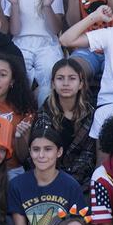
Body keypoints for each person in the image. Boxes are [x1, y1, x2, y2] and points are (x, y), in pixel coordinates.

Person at [8, 122, 84, 225]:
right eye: (36, 150)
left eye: (48, 149)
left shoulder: (71, 185)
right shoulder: (17, 184)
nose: (41, 155)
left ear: (59, 152)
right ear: (30, 152)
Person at [5, 0, 64, 108]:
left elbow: (55, 29)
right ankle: (21, 113)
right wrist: (15, 4)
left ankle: (45, 115)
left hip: (47, 43)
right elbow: (15, 31)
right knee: (18, 76)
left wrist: (46, 6)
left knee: (51, 74)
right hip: (20, 43)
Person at [36, 58, 96, 188]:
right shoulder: (44, 113)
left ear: (81, 84)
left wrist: (69, 180)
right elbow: (41, 152)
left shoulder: (90, 114)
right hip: (47, 178)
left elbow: (88, 154)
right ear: (52, 83)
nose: (66, 83)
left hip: (81, 181)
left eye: (72, 78)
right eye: (60, 78)